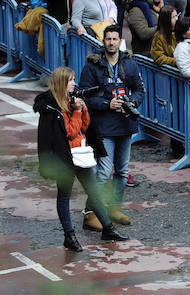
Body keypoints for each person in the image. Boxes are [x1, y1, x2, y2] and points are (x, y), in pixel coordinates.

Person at [34, 67, 129, 251]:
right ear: (62, 83)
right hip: (65, 159)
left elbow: (83, 127)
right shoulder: (52, 107)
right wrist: (77, 112)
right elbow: (69, 132)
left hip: (81, 154)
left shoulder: (70, 101)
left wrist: (83, 110)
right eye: (71, 80)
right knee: (64, 197)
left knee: (94, 192)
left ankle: (108, 228)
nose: (74, 84)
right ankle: (69, 236)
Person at [78, 25, 146, 231]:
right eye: (108, 39)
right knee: (104, 172)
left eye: (115, 39)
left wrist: (132, 102)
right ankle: (90, 213)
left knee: (123, 171)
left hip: (125, 124)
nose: (111, 43)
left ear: (119, 42)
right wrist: (107, 104)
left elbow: (140, 90)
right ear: (103, 41)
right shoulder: (93, 65)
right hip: (104, 126)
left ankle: (114, 208)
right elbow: (84, 94)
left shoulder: (130, 64)